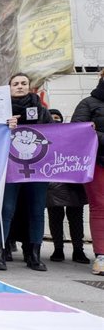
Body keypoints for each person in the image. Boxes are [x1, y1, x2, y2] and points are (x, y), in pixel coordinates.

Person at [0, 73, 53, 272]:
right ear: (9, 88)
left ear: (30, 86)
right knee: (7, 210)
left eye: (23, 83)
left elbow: (54, 135)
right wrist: (4, 126)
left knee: (36, 210)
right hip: (11, 168)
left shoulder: (42, 111)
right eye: (15, 84)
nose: (19, 86)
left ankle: (34, 255)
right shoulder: (1, 110)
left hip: (37, 169)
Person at [45, 109, 89, 264]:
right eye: (52, 117)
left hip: (73, 182)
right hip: (53, 183)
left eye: (58, 118)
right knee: (55, 217)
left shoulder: (72, 136)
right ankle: (58, 249)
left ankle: (78, 250)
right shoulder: (45, 136)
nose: (55, 120)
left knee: (76, 218)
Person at [71, 68, 104, 275]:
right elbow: (78, 132)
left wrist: (97, 133)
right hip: (97, 162)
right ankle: (101, 255)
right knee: (100, 207)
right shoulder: (88, 103)